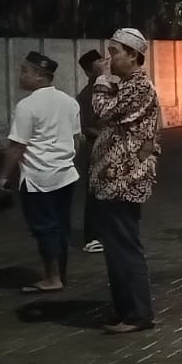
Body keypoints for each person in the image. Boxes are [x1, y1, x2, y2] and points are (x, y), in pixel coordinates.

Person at [89, 27, 162, 334]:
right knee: (116, 247)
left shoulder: (139, 87)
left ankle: (137, 314)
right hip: (114, 180)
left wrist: (101, 79)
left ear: (133, 56)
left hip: (124, 181)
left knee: (124, 247)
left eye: (114, 52)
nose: (109, 59)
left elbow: (102, 110)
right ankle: (126, 311)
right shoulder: (128, 85)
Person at [0, 51, 82, 294]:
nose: (20, 75)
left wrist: (3, 178)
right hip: (66, 175)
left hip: (38, 178)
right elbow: (77, 140)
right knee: (61, 225)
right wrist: (67, 160)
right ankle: (60, 274)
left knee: (44, 228)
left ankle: (52, 278)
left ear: (40, 76)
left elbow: (16, 146)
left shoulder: (26, 106)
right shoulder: (69, 102)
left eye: (25, 71)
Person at [76, 49, 105, 254]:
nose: (104, 63)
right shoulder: (86, 95)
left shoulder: (109, 90)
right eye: (98, 61)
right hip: (95, 149)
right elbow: (86, 126)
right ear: (88, 71)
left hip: (110, 148)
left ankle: (106, 232)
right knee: (94, 192)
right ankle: (92, 237)